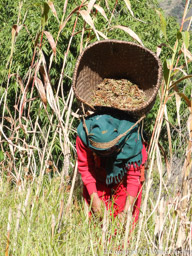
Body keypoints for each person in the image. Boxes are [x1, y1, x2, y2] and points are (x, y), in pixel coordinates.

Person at [76, 112, 147, 226]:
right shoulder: (84, 134)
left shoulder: (132, 137)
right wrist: (95, 200)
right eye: (100, 152)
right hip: (99, 172)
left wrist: (126, 212)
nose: (105, 154)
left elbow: (133, 178)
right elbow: (85, 167)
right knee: (97, 223)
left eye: (107, 151)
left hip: (123, 177)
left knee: (123, 227)